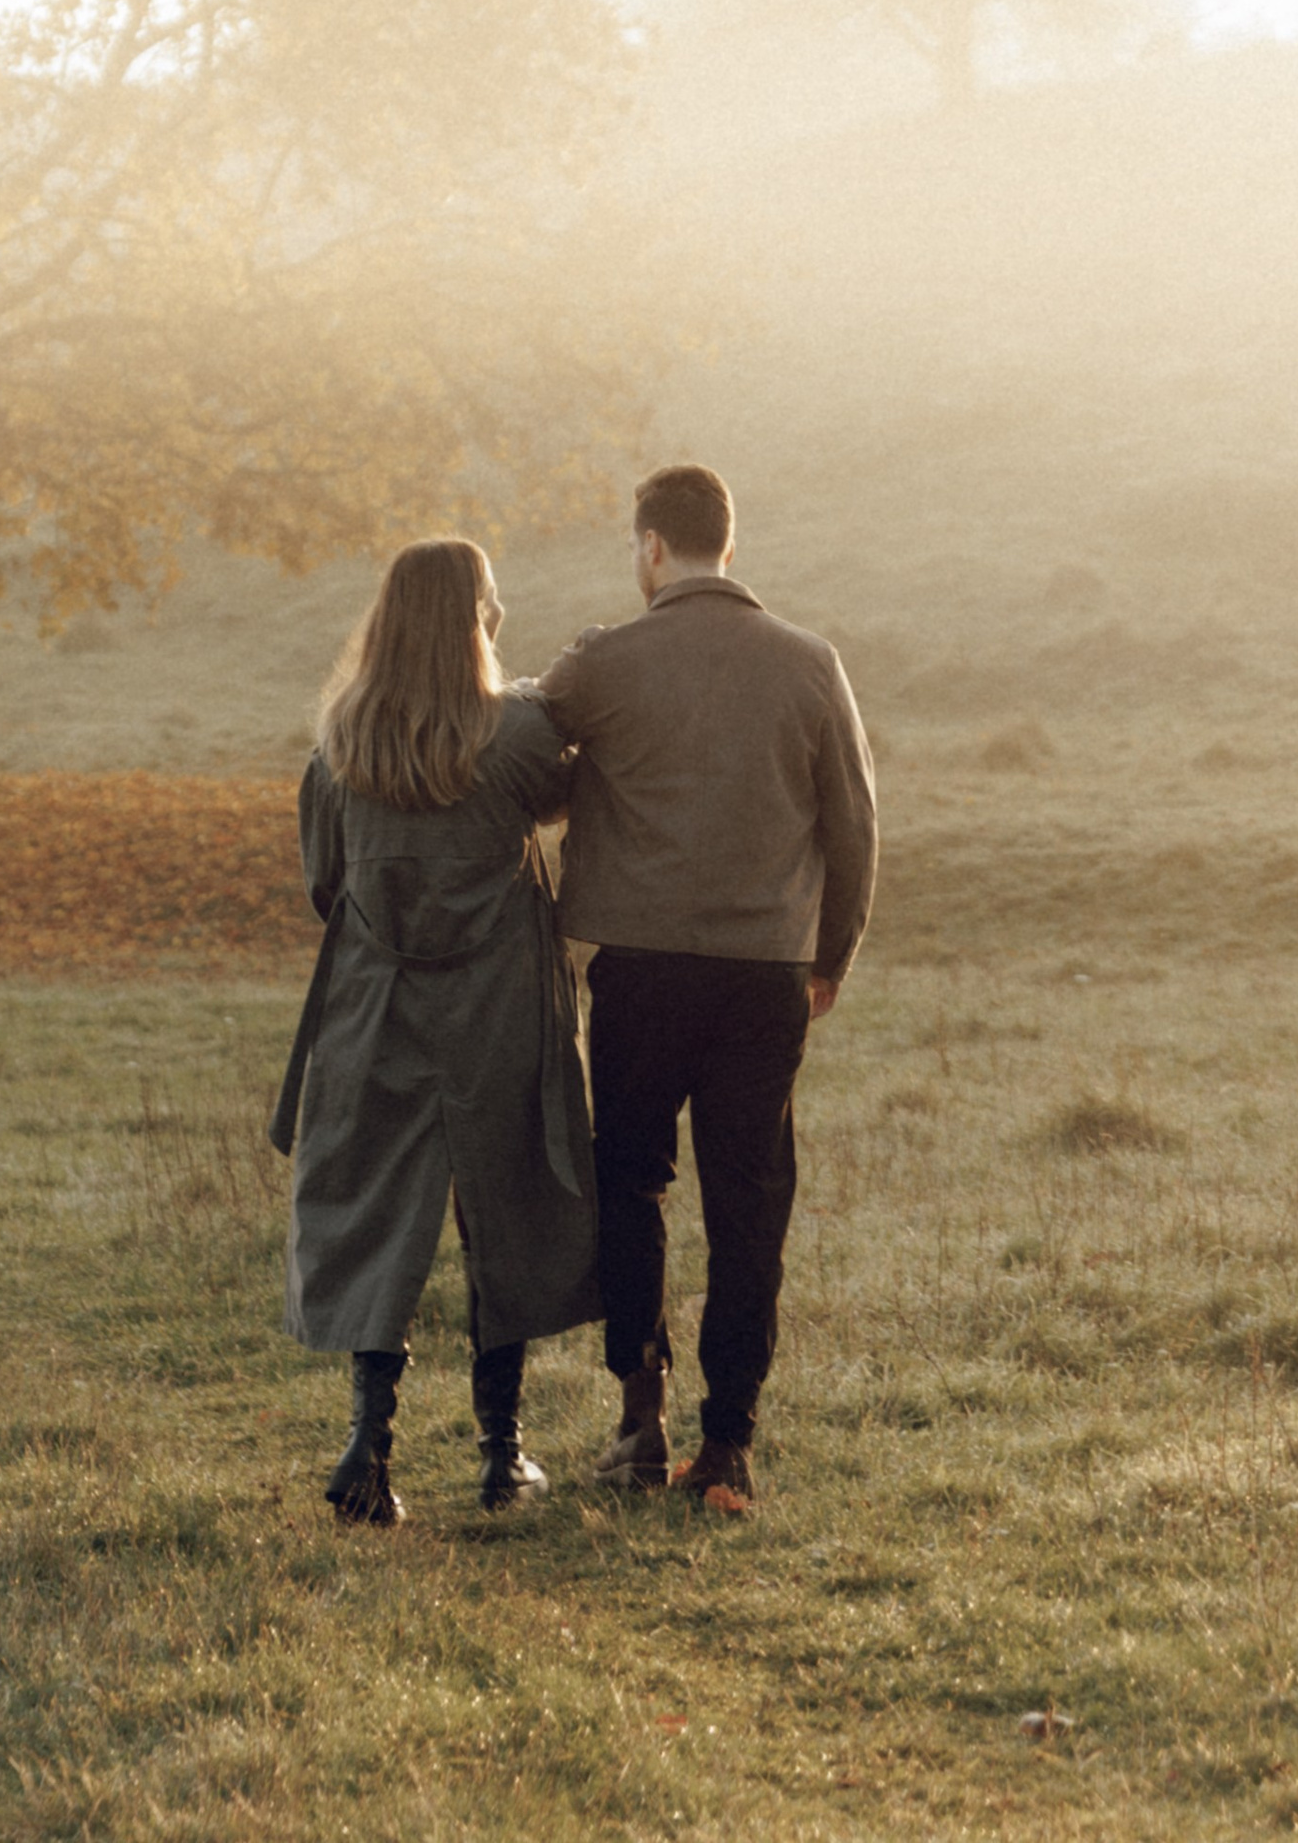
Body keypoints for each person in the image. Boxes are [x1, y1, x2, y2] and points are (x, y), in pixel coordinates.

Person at [538, 461, 876, 1507]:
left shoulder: (602, 662)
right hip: (764, 975)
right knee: (748, 1203)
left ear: (650, 546)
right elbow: (854, 824)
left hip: (640, 971)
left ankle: (640, 1419)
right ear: (727, 543)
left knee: (630, 1185)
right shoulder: (810, 662)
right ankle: (727, 1447)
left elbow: (521, 758)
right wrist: (829, 956)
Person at [270, 535, 599, 1525]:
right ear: (472, 617)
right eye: (490, 599)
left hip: (376, 1009)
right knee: (506, 1202)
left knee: (378, 1213)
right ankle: (502, 1455)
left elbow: (325, 884)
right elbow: (568, 794)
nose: (499, 611)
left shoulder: (341, 746)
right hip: (496, 1008)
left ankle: (368, 1449)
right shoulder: (516, 736)